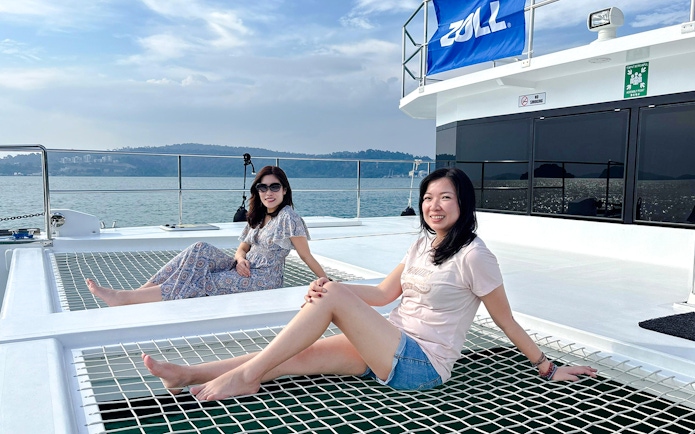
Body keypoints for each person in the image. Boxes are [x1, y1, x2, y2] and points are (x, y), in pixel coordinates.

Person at [142, 167, 597, 400]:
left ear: (464, 204)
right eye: (427, 198)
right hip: (390, 342)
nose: (433, 206)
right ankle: (190, 374)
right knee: (293, 355)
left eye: (445, 199)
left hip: (421, 366)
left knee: (329, 296)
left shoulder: (476, 256)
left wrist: (548, 367)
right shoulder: (423, 243)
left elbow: (505, 320)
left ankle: (243, 378)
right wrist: (332, 292)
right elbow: (383, 294)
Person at [87, 165, 328, 306]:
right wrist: (241, 258)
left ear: (284, 190)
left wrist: (327, 281)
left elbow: (306, 256)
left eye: (274, 186)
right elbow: (242, 248)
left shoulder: (289, 217)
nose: (268, 192)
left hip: (263, 279)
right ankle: (138, 293)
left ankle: (128, 299)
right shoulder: (259, 215)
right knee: (199, 248)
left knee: (201, 280)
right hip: (243, 267)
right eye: (262, 187)